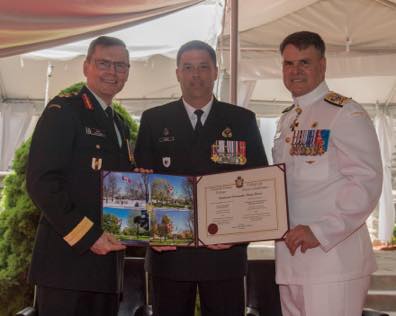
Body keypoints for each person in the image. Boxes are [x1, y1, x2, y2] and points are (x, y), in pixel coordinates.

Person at [134, 40, 268, 316]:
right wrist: (149, 235)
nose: (196, 74)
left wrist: (240, 236)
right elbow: (139, 186)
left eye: (203, 67)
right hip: (168, 254)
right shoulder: (153, 120)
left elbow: (259, 185)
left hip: (224, 254)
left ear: (216, 72)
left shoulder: (242, 120)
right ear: (178, 73)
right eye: (188, 67)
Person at [272, 31, 383, 316]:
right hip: (291, 261)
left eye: (304, 62)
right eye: (288, 63)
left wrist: (321, 232)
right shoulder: (287, 119)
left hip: (332, 260)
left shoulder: (345, 113)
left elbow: (366, 181)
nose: (295, 71)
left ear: (322, 65)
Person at [26, 36, 135, 316]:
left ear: (128, 72)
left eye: (121, 66)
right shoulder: (64, 111)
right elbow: (42, 182)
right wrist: (88, 236)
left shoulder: (119, 125)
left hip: (107, 269)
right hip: (67, 267)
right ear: (86, 66)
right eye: (104, 63)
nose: (112, 72)